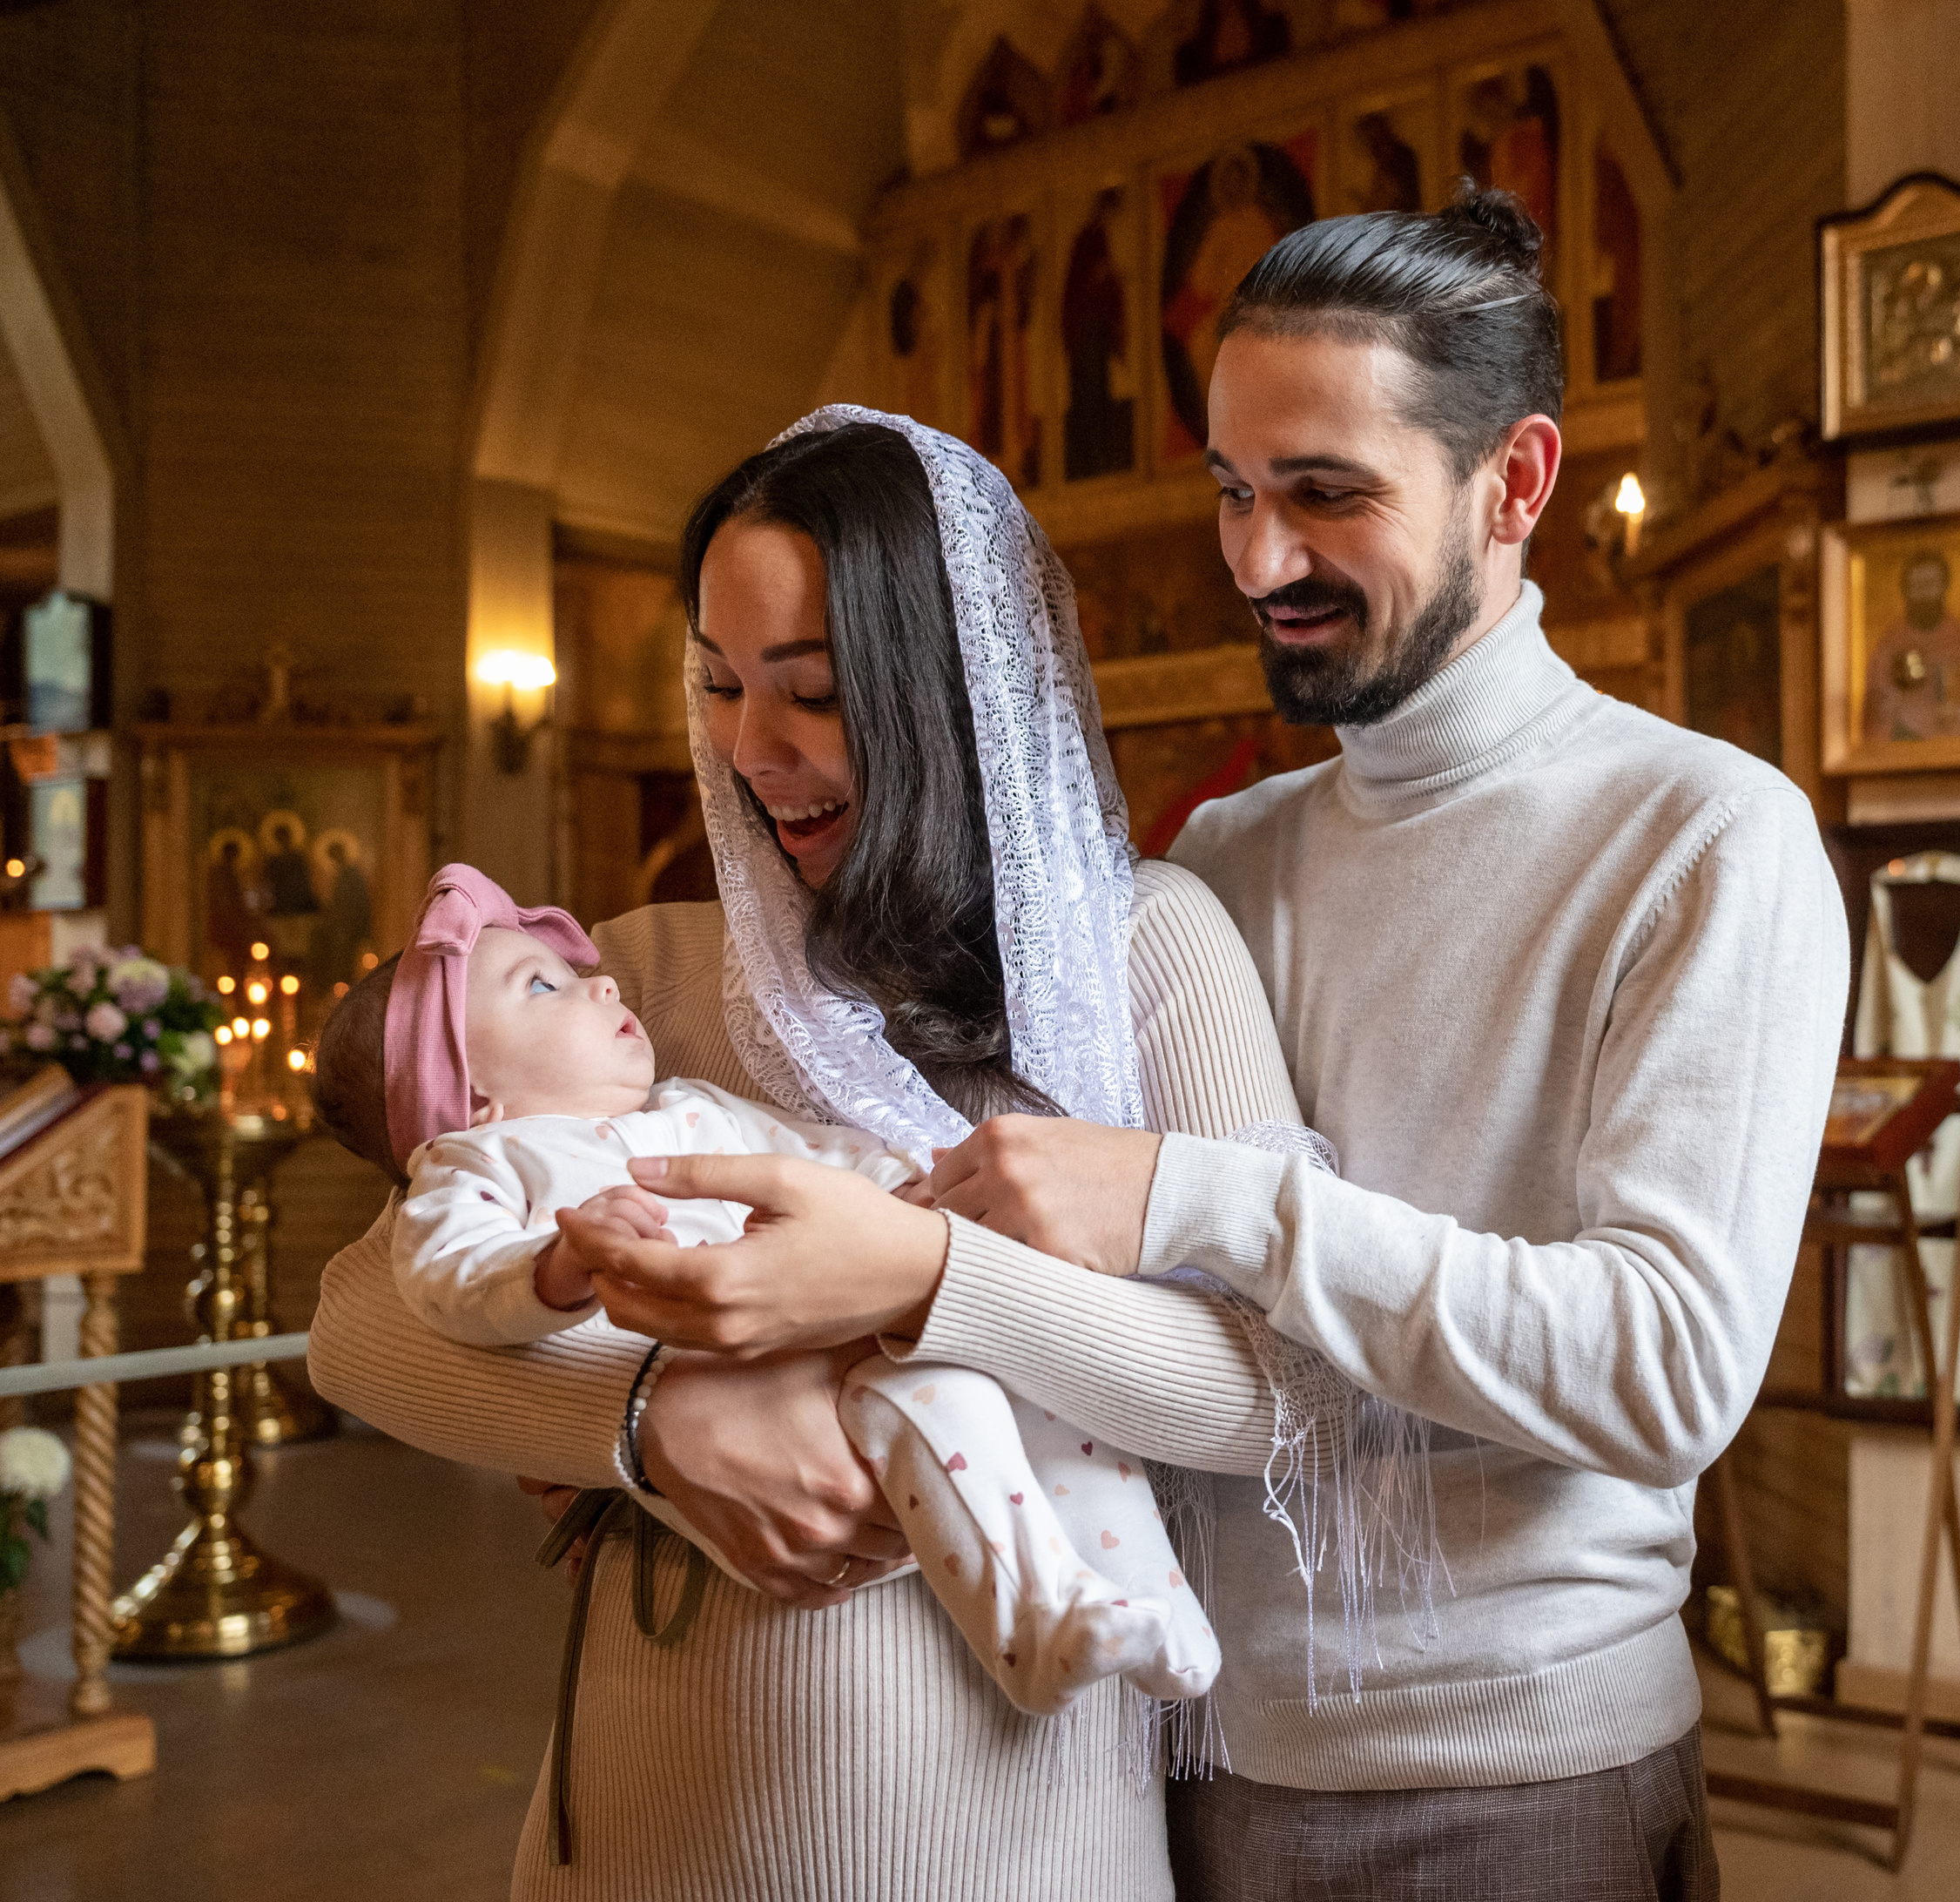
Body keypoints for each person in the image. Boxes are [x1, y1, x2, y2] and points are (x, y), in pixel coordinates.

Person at [576, 190, 1850, 1899]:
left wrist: (1188, 1198)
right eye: (1233, 493)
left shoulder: (1699, 835)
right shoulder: (1224, 861)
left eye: (1323, 493)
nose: (1254, 561)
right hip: (1181, 1752)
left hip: (1505, 1760)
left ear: (1514, 483)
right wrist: (638, 1405)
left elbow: (1666, 1370)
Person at [307, 411, 1332, 1902]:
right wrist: (654, 1413)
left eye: (813, 693)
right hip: (664, 1819)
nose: (746, 747)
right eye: (718, 682)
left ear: (955, 693)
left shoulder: (1147, 949)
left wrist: (929, 1275)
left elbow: (1274, 1388)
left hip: (1021, 1834)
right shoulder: (647, 980)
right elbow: (357, 1315)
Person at [314, 861, 1216, 1721]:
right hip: (758, 1406)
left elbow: (807, 1154)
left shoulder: (683, 1106)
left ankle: (1147, 1600)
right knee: (939, 1400)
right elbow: (434, 1278)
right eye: (543, 988)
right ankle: (1035, 1626)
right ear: (472, 1100)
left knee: (1043, 1403)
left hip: (838, 1333)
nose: (602, 984)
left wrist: (908, 1185)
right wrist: (558, 1279)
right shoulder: (478, 1163)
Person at [1861, 548, 1960, 742]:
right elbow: (1877, 715)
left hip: (1949, 752)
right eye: (1916, 585)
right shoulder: (1890, 644)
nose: (1923, 593)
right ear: (1905, 590)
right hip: (1901, 752)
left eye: (1930, 583)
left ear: (1944, 586)